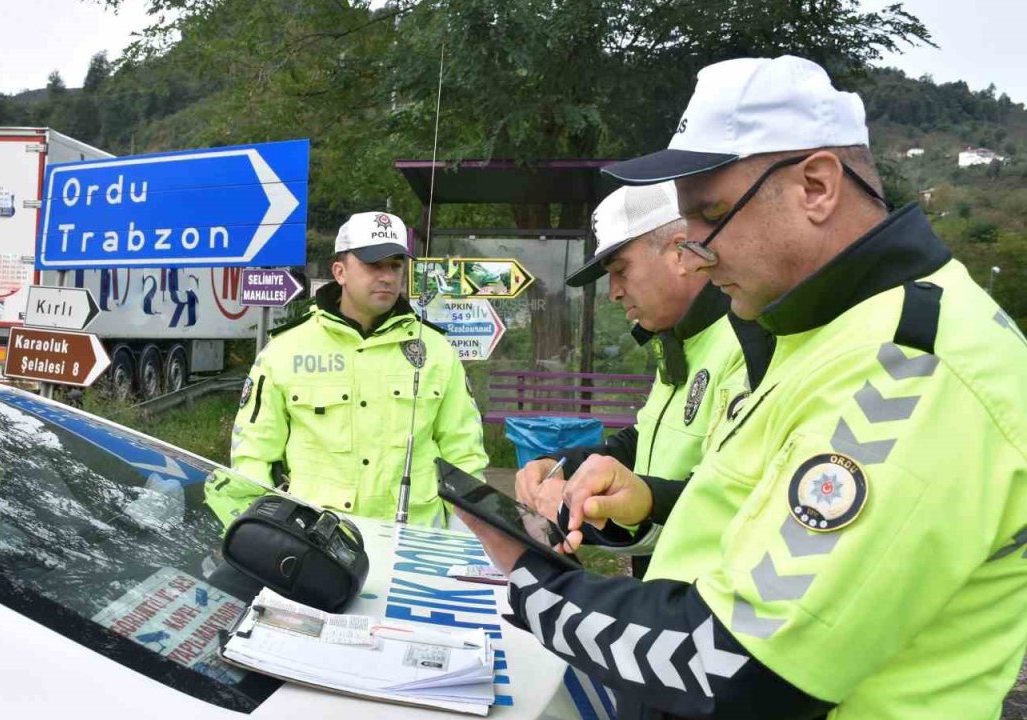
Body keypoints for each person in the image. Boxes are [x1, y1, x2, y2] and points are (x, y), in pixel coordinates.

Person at [459, 56, 1027, 719]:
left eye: (710, 216)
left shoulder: (913, 367)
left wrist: (532, 584)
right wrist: (642, 502)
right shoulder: (816, 332)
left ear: (816, 186)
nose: (693, 250)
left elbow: (739, 662)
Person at [514, 182, 772, 579]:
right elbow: (643, 439)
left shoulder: (751, 341)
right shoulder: (676, 341)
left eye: (621, 270)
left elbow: (739, 495)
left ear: (680, 251)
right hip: (663, 591)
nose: (614, 292)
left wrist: (646, 499)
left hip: (712, 602)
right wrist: (561, 467)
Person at [224, 211, 488, 528]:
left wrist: (467, 541)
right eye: (373, 264)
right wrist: (259, 535)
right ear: (340, 272)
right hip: (317, 543)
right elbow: (252, 455)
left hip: (416, 543)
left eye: (395, 265)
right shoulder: (284, 350)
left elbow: (465, 456)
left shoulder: (436, 350)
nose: (387, 276)